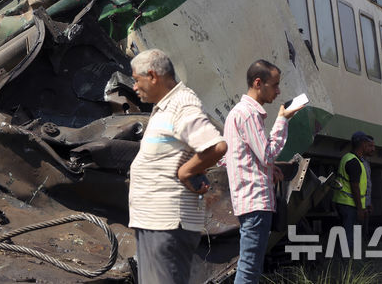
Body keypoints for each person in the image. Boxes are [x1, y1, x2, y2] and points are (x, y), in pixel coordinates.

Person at [128, 49, 228, 284]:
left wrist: (186, 171)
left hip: (168, 225)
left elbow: (216, 146)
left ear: (152, 76)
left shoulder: (182, 104)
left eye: (136, 80)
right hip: (154, 223)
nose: (133, 87)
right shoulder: (166, 106)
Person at [223, 59, 302, 284]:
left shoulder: (237, 113)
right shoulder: (248, 114)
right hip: (255, 200)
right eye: (275, 85)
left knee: (249, 265)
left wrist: (269, 170)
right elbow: (267, 153)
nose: (278, 91)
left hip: (248, 199)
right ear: (259, 83)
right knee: (249, 268)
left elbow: (237, 158)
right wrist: (282, 120)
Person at [332, 131, 372, 250]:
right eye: (367, 144)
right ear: (363, 145)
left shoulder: (350, 158)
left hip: (346, 203)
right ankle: (347, 264)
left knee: (349, 236)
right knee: (349, 238)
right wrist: (360, 209)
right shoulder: (353, 162)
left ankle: (348, 263)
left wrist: (366, 205)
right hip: (348, 205)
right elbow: (355, 186)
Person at [360, 136, 375, 237]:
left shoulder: (366, 163)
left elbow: (366, 184)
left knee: (363, 232)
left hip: (365, 204)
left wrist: (368, 203)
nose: (373, 149)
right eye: (370, 146)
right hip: (359, 205)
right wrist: (361, 206)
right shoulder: (357, 162)